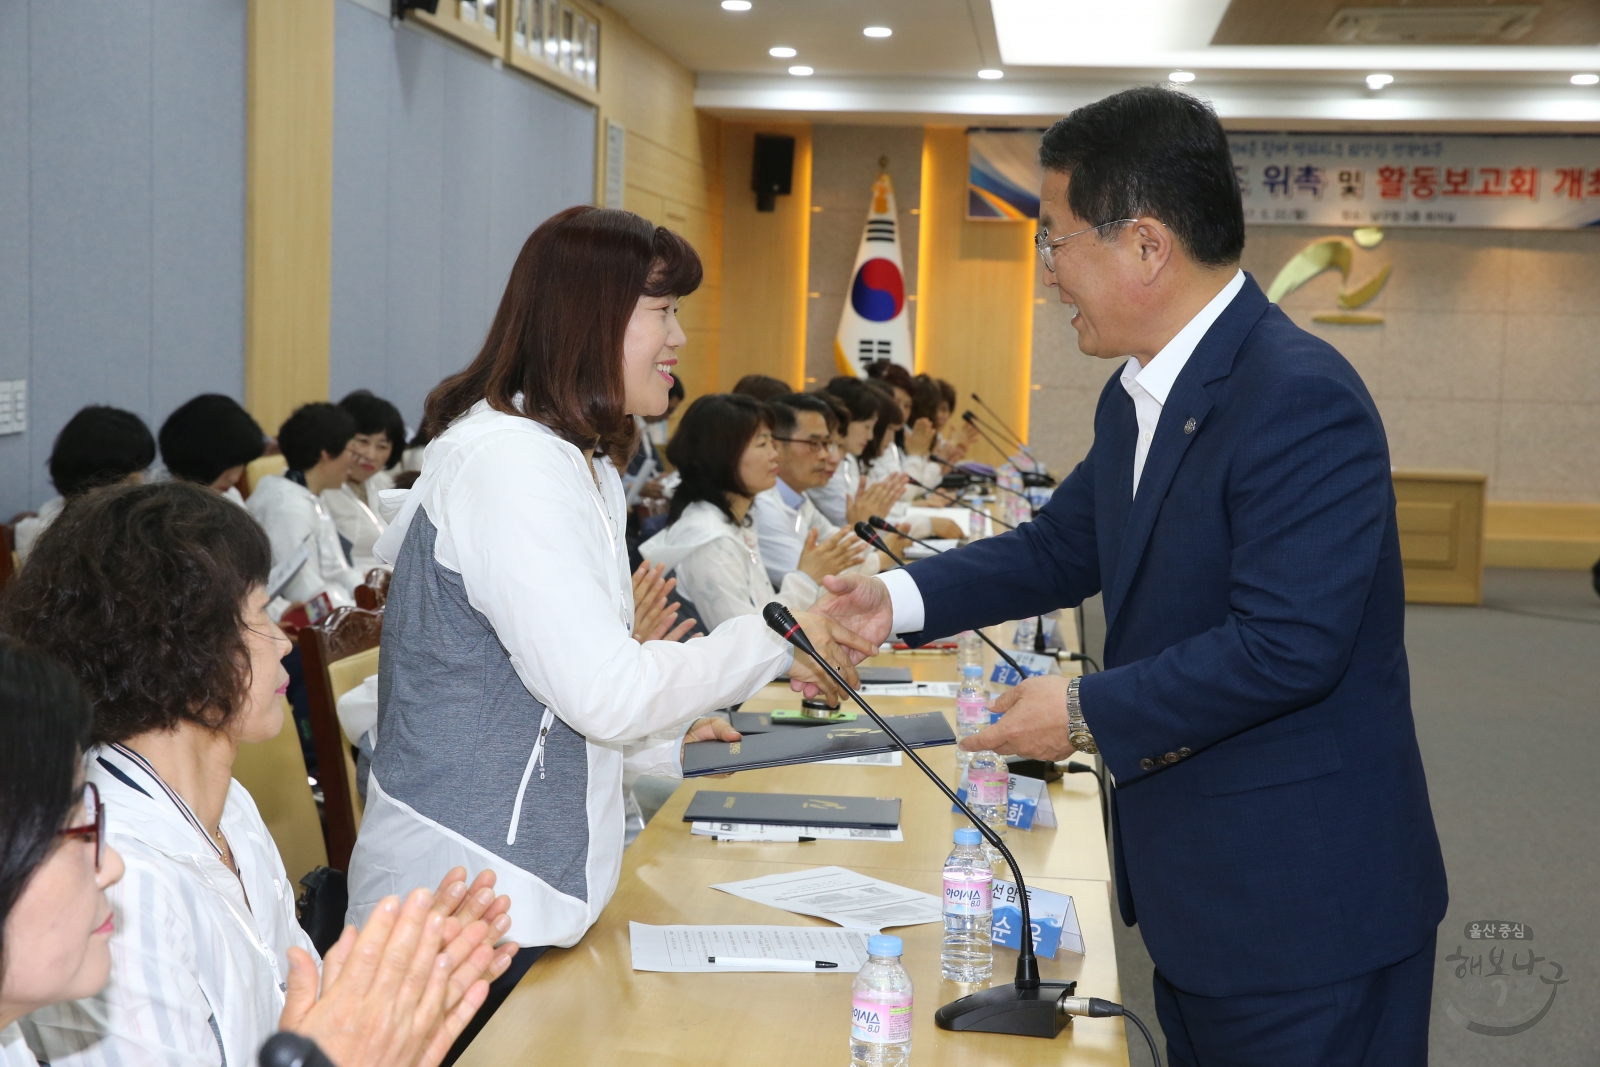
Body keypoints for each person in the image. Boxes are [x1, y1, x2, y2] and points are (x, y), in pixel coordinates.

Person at [811, 86, 1446, 1066]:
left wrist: (1079, 708)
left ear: (1145, 245)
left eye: (1055, 240)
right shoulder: (1139, 392)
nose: (1046, 274)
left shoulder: (1297, 396)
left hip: (1304, 905)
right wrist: (889, 598)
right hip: (1205, 893)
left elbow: (1288, 647)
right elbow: (1061, 549)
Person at [345, 207, 872, 1056]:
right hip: (470, 903)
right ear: (589, 318)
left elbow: (564, 702)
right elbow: (603, 692)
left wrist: (666, 738)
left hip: (531, 894)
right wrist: (786, 631)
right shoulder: (508, 464)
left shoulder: (571, 459)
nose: (680, 337)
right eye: (662, 312)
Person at [3, 483, 516, 1067]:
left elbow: (300, 1005)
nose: (283, 639)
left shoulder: (230, 804)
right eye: (257, 616)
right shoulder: (122, 882)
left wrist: (400, 989)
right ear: (177, 648)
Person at [641, 394, 863, 630]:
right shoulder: (708, 539)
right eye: (762, 443)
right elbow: (746, 639)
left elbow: (760, 609)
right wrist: (805, 579)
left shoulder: (737, 520)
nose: (774, 454)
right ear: (724, 455)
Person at [248, 402, 365, 623]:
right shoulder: (287, 508)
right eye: (351, 450)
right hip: (289, 623)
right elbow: (301, 590)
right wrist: (355, 611)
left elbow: (335, 569)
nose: (354, 460)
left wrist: (367, 595)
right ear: (326, 454)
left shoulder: (309, 495)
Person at [749, 393, 879, 588]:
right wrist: (881, 559)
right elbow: (817, 581)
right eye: (814, 444)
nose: (826, 455)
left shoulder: (799, 497)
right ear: (776, 445)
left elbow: (847, 549)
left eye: (826, 444)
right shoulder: (763, 505)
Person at [13, 407, 154, 564]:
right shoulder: (48, 537)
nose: (140, 483)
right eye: (130, 477)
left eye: (144, 471)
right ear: (93, 474)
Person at [326, 390, 407, 571]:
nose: (370, 455)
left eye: (382, 446)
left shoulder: (385, 485)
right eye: (363, 441)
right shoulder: (322, 488)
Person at [158, 393, 267, 502]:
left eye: (242, 464)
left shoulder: (230, 498)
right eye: (228, 464)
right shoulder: (151, 503)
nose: (235, 478)